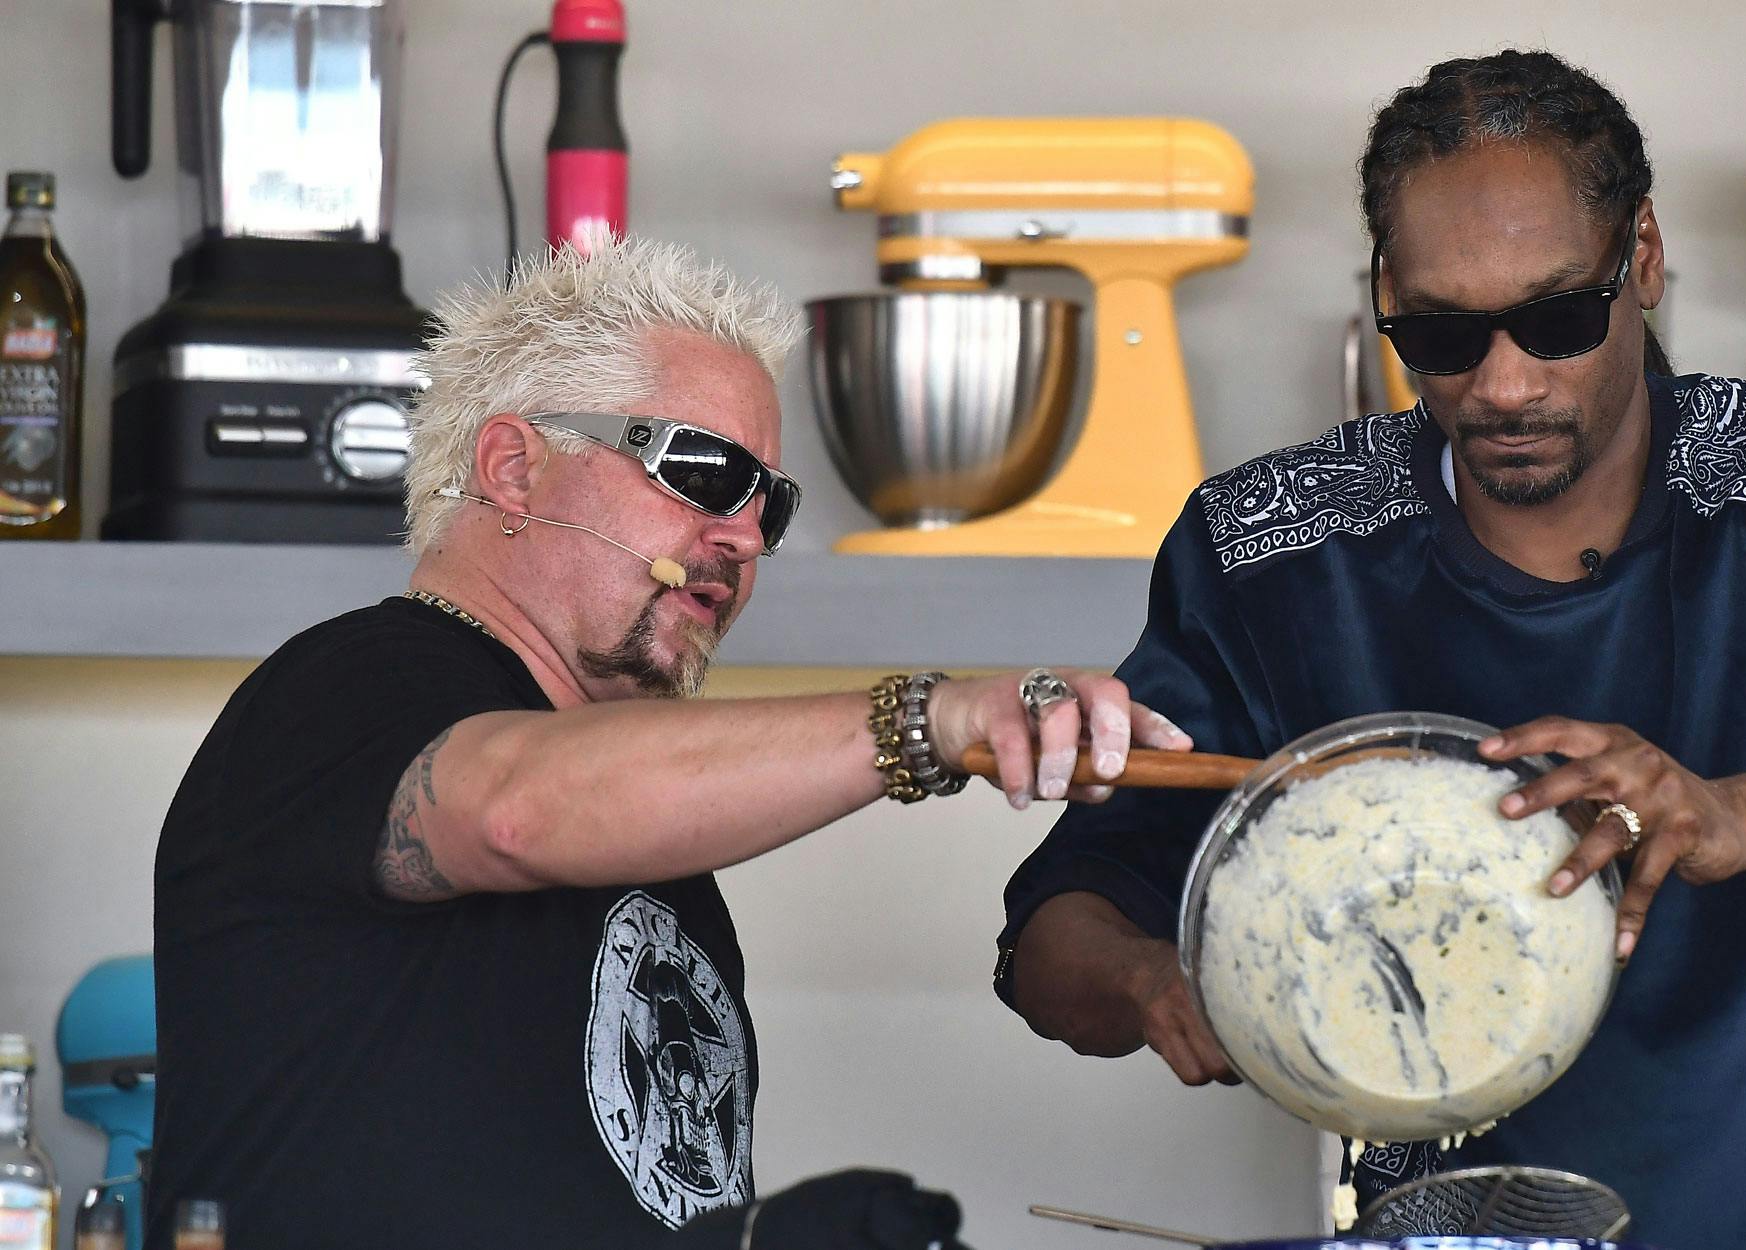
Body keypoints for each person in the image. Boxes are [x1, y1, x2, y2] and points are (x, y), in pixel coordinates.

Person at [993, 50, 1746, 1250]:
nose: (1504, 381)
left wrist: (1730, 813)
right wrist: (1157, 981)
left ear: (1640, 259)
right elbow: (1054, 928)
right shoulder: (1275, 550)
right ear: (1384, 291)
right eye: (1439, 332)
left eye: (1556, 317)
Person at [148, 235, 1187, 1250]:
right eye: (699, 467)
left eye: (768, 501)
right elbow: (510, 807)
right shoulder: (348, 681)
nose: (742, 532)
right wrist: (928, 720)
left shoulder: (654, 833)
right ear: (513, 467)